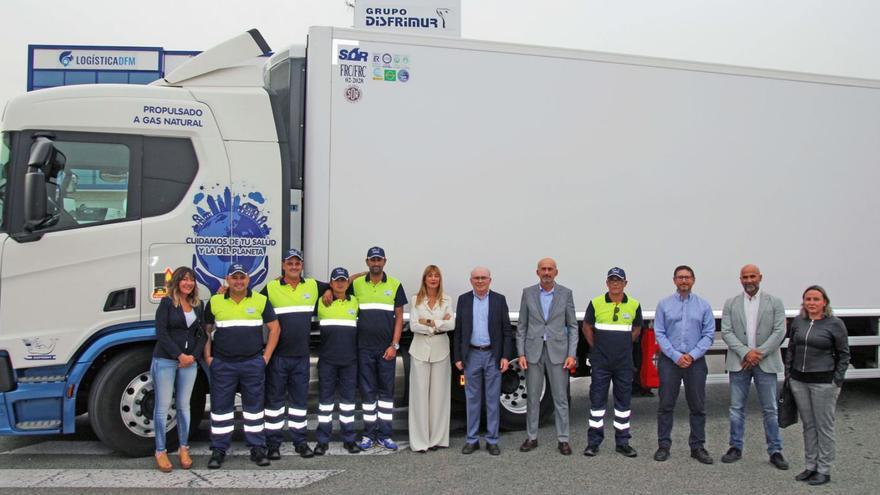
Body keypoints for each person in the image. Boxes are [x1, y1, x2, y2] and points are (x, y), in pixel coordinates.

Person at [203, 263, 280, 469]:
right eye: (234, 278)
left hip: (252, 363)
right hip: (223, 364)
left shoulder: (260, 300)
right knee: (221, 410)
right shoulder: (215, 301)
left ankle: (257, 448)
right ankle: (218, 450)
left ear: (248, 280)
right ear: (227, 280)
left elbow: (275, 329)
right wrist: (209, 357)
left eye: (242, 277)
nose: (238, 281)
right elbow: (206, 332)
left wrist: (265, 357)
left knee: (254, 410)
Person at [261, 249, 329, 460]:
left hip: (301, 356)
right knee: (274, 404)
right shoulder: (271, 288)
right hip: (278, 357)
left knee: (299, 404)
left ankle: (300, 442)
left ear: (302, 265)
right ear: (283, 265)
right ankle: (273, 444)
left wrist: (327, 291)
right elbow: (249, 302)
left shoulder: (312, 286)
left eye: (297, 263)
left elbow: (341, 285)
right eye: (289, 263)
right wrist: (224, 290)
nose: (293, 266)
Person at [720, 264, 789, 469]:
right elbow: (726, 331)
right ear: (740, 279)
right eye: (744, 277)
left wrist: (758, 354)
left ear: (760, 277)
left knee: (770, 409)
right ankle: (735, 447)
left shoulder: (775, 302)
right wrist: (745, 353)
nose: (749, 280)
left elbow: (779, 331)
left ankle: (775, 450)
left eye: (752, 276)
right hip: (739, 362)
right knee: (736, 408)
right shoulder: (731, 303)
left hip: (765, 362)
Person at [785, 285, 850, 486]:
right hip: (799, 381)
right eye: (808, 299)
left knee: (824, 427)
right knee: (808, 425)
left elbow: (844, 354)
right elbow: (791, 349)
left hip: (824, 382)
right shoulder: (799, 322)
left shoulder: (834, 324)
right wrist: (789, 374)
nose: (811, 303)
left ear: (824, 302)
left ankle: (824, 469)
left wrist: (836, 380)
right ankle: (810, 466)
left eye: (816, 299)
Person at [653, 265, 715, 465]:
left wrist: (692, 355)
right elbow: (659, 333)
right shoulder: (664, 305)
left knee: (697, 406)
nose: (683, 281)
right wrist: (675, 356)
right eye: (680, 277)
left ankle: (697, 447)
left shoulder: (704, 306)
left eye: (687, 277)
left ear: (693, 280)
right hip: (670, 362)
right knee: (665, 405)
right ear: (674, 281)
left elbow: (708, 335)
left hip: (695, 362)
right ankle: (663, 445)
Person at [516, 258, 578, 455]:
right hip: (534, 351)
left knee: (560, 398)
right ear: (537, 272)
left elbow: (573, 326)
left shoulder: (566, 294)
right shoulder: (528, 293)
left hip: (558, 352)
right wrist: (521, 353)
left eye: (550, 269)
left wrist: (572, 354)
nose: (546, 272)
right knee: (533, 397)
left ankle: (563, 439)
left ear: (556, 272)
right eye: (543, 269)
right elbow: (522, 326)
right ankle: (532, 437)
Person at [582, 267, 642, 458]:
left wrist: (623, 345)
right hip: (601, 362)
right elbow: (587, 327)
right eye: (612, 280)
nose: (615, 284)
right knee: (597, 402)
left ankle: (622, 442)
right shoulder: (596, 303)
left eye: (619, 280)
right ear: (607, 283)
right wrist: (597, 347)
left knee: (623, 403)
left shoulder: (633, 304)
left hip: (623, 362)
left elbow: (637, 329)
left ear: (625, 283)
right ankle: (593, 442)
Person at [453, 267, 514, 456]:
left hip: (492, 356)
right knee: (472, 399)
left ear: (490, 280)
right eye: (476, 278)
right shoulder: (464, 300)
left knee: (492, 399)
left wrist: (505, 356)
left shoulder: (498, 299)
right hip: (471, 355)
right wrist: (458, 357)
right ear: (471, 280)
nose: (480, 281)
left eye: (483, 278)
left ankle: (492, 440)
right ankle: (472, 440)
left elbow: (506, 330)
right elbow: (459, 331)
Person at [352, 247, 407, 451]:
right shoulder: (357, 284)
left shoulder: (394, 285)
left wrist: (394, 345)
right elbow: (339, 289)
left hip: (386, 350)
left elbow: (399, 317)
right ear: (367, 262)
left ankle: (385, 435)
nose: (376, 263)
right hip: (363, 348)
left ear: (385, 261)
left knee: (386, 394)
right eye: (372, 260)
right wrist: (354, 275)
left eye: (379, 260)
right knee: (367, 394)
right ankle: (368, 434)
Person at [151, 266, 205, 473]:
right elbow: (161, 332)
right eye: (184, 279)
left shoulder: (197, 305)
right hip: (166, 360)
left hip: (189, 363)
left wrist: (193, 356)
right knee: (163, 407)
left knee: (184, 407)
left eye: (191, 280)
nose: (188, 283)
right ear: (176, 282)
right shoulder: (167, 303)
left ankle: (184, 448)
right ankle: (161, 451)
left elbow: (202, 334)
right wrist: (179, 355)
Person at [315, 267, 363, 455]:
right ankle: (322, 440)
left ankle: (349, 439)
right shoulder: (321, 301)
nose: (341, 283)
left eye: (344, 280)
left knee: (348, 403)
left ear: (347, 283)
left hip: (349, 361)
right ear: (331, 283)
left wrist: (354, 276)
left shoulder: (355, 302)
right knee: (325, 403)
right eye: (337, 280)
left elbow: (363, 275)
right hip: (327, 360)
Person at [408, 265, 455, 453]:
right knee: (419, 397)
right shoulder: (415, 299)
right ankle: (420, 441)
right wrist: (437, 324)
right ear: (424, 279)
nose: (433, 279)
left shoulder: (447, 299)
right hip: (419, 350)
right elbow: (413, 325)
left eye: (436, 276)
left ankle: (437, 439)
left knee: (439, 397)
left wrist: (427, 322)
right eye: (430, 276)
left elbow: (451, 324)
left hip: (441, 350)